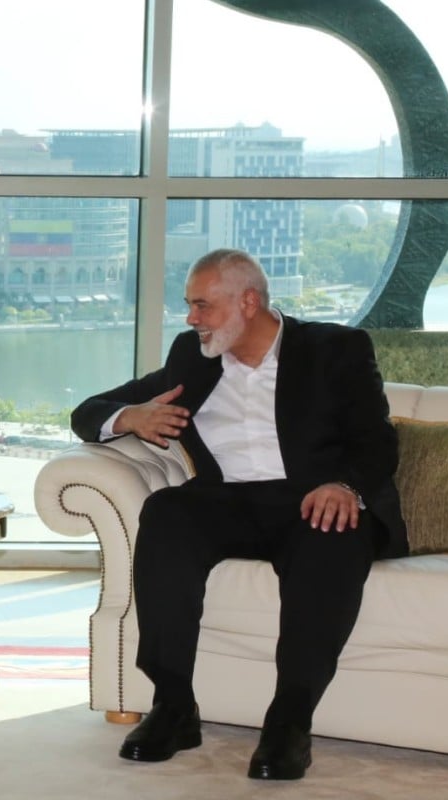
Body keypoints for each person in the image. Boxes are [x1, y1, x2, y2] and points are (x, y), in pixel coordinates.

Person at [71, 249, 406, 781]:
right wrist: (129, 416)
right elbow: (88, 411)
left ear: (248, 302)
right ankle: (174, 706)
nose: (191, 319)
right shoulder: (194, 356)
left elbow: (377, 440)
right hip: (230, 502)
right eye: (189, 306)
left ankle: (289, 723)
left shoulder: (334, 349)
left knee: (331, 537)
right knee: (167, 513)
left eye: (202, 305)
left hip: (311, 500)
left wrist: (345, 485)